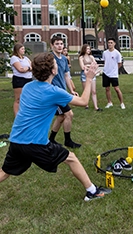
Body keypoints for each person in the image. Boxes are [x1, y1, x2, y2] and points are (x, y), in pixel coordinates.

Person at [0, 53, 111, 201]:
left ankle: (92, 190)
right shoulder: (53, 91)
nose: (58, 65)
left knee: (5, 172)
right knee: (71, 158)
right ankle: (92, 191)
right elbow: (84, 101)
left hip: (16, 140)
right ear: (53, 71)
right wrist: (89, 79)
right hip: (35, 143)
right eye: (55, 64)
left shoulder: (27, 87)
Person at [49, 36, 81, 148]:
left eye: (61, 44)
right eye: (57, 44)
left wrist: (71, 90)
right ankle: (68, 141)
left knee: (61, 116)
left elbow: (67, 75)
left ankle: (51, 139)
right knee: (69, 114)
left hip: (62, 92)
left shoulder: (63, 59)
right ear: (52, 45)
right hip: (54, 93)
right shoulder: (49, 58)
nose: (59, 46)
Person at [10, 43, 33, 116]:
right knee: (18, 99)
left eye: (24, 49)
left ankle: (26, 114)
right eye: (22, 49)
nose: (24, 50)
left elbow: (32, 67)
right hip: (19, 79)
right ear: (17, 50)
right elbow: (20, 69)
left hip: (28, 79)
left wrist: (27, 68)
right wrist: (27, 68)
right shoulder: (14, 58)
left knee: (28, 97)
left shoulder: (26, 58)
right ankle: (17, 116)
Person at [102, 37, 125, 109]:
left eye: (111, 43)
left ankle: (122, 103)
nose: (110, 44)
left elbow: (119, 63)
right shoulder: (105, 53)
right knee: (107, 89)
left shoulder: (117, 53)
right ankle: (109, 102)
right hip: (106, 73)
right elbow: (104, 61)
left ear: (114, 44)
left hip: (114, 74)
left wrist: (114, 69)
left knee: (116, 89)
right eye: (108, 43)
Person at [78, 44, 102, 111]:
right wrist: (90, 66)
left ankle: (96, 107)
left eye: (89, 49)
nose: (88, 50)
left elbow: (95, 64)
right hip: (84, 74)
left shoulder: (91, 57)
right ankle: (86, 105)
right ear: (84, 49)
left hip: (92, 74)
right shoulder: (81, 57)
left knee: (93, 91)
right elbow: (82, 67)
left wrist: (88, 66)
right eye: (87, 49)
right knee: (86, 90)